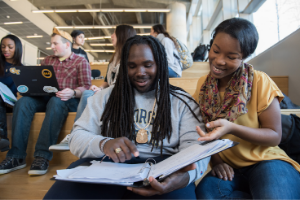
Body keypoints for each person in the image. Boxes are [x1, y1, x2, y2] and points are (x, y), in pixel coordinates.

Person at [44, 35, 210, 199]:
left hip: (163, 168)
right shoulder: (104, 97)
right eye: (132, 66)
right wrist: (104, 143)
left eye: (148, 65)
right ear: (123, 67)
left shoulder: (182, 101)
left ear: (160, 64)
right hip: (108, 164)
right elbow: (77, 138)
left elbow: (197, 146)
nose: (140, 72)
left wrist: (186, 177)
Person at [194, 18, 300, 199]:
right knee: (207, 193)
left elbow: (274, 136)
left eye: (231, 57)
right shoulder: (203, 85)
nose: (219, 61)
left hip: (267, 161)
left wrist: (232, 127)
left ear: (244, 57)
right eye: (216, 50)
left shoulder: (259, 81)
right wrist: (217, 161)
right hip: (230, 169)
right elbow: (203, 131)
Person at [0, 28, 91, 176]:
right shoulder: (47, 61)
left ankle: (42, 156)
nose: (52, 47)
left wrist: (73, 92)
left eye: (55, 43)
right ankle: (16, 157)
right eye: (51, 44)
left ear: (67, 45)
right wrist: (30, 89)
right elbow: (39, 82)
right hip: (45, 97)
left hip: (67, 100)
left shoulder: (81, 61)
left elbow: (86, 87)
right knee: (23, 103)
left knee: (56, 101)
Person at [50, 24, 137, 150]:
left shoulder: (130, 57)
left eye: (114, 33)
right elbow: (107, 81)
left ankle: (75, 134)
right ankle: (76, 134)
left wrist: (103, 91)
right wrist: (100, 88)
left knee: (86, 94)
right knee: (89, 92)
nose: (111, 36)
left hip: (120, 94)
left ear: (122, 35)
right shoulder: (114, 58)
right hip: (109, 92)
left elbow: (122, 84)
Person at [0, 34, 23, 152]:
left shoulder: (23, 70)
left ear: (17, 48)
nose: (5, 50)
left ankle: (1, 135)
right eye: (3, 46)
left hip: (12, 103)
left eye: (10, 47)